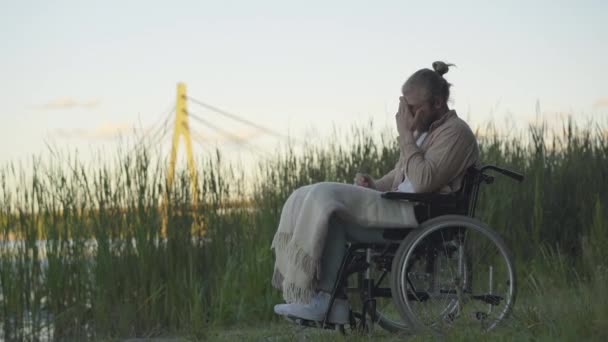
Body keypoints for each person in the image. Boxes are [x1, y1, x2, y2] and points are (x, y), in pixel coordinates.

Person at [271, 61, 480, 324]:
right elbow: (401, 177)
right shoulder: (424, 134)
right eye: (405, 108)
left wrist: (405, 135)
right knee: (309, 195)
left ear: (438, 104)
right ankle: (325, 301)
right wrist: (375, 184)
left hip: (419, 216)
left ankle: (327, 302)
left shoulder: (456, 133)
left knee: (328, 202)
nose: (407, 116)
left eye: (413, 109)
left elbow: (424, 180)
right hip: (402, 206)